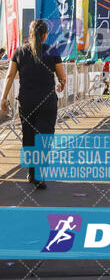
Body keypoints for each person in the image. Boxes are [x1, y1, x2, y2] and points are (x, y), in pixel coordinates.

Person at [0, 19, 66, 189]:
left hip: (27, 102)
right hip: (47, 103)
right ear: (45, 35)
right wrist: (61, 83)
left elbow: (9, 76)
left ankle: (31, 172)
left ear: (29, 34)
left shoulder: (19, 51)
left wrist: (4, 98)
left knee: (28, 136)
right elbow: (62, 76)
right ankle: (39, 174)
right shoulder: (52, 51)